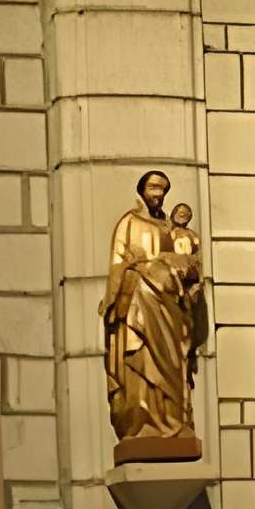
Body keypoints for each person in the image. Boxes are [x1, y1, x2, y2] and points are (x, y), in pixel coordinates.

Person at [102, 171, 201, 459]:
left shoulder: (171, 228)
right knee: (140, 357)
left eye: (162, 189)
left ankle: (172, 420)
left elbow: (188, 261)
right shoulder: (129, 221)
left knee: (171, 361)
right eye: (153, 187)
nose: (157, 193)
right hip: (139, 301)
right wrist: (112, 299)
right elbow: (117, 262)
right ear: (142, 189)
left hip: (169, 305)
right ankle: (142, 422)